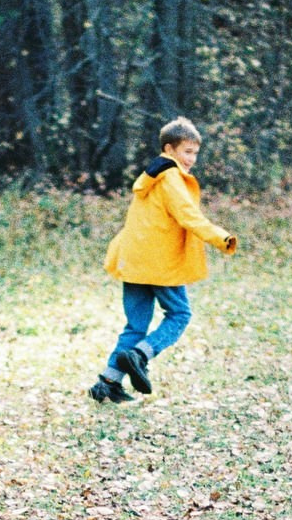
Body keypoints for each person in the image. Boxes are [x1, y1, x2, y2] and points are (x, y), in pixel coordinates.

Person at [90, 117, 240, 405]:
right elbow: (187, 215)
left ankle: (107, 382)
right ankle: (141, 354)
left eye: (195, 153)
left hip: (134, 260)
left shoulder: (153, 175)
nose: (191, 159)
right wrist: (221, 238)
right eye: (187, 152)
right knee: (180, 314)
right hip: (159, 262)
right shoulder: (170, 176)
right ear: (169, 149)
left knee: (135, 325)